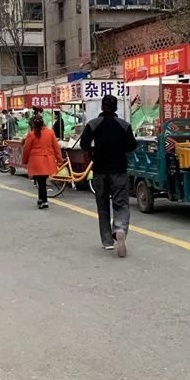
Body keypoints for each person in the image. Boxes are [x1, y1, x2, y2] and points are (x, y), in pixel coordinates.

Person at [80, 94, 138, 257]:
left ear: (102, 107)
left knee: (103, 205)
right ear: (116, 108)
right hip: (119, 171)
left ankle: (107, 241)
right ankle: (119, 230)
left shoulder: (93, 124)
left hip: (100, 171)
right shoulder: (124, 125)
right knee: (121, 204)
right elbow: (131, 146)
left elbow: (84, 144)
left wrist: (94, 150)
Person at [22, 114, 63, 210]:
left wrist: (24, 161)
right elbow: (56, 147)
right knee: (42, 181)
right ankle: (41, 199)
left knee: (40, 181)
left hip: (36, 161)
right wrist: (59, 159)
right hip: (47, 160)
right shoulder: (50, 132)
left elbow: (26, 149)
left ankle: (44, 201)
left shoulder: (31, 134)